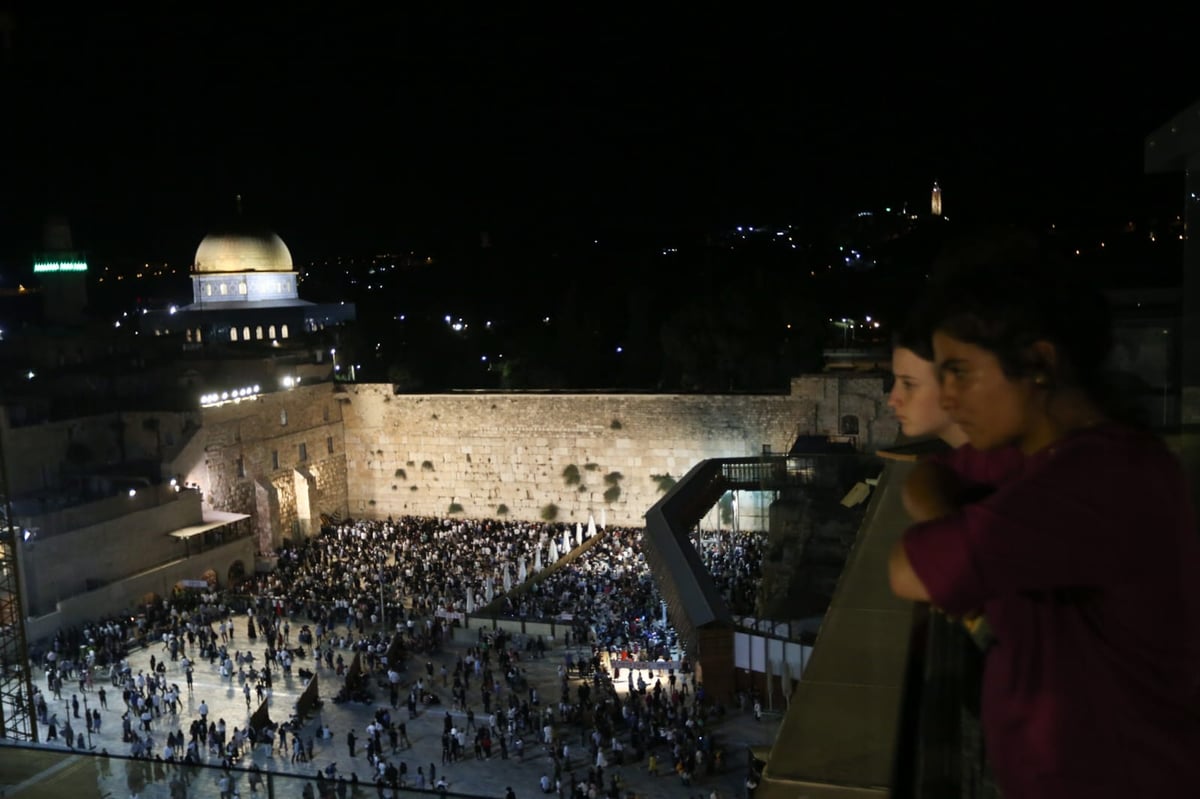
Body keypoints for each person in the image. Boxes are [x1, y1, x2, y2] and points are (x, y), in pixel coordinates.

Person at [888, 259, 1200, 797]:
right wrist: (967, 539)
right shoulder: (1042, 458)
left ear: (1039, 363)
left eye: (959, 370)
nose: (949, 397)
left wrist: (963, 553)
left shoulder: (1099, 482)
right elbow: (928, 476)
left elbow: (906, 569)